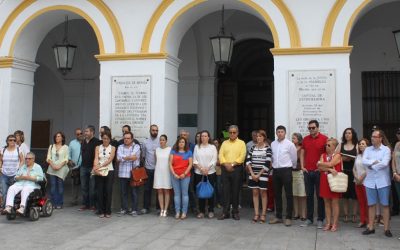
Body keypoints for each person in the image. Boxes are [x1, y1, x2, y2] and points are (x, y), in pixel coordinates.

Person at [362, 129, 392, 237]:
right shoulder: (368, 149)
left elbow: (384, 164)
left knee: (385, 205)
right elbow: (363, 161)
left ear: (380, 138)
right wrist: (373, 162)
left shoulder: (386, 150)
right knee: (371, 205)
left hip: (383, 181)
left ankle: (386, 229)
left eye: (374, 137)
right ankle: (371, 227)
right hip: (370, 181)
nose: (372, 138)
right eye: (372, 136)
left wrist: (371, 166)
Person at [300, 120, 327, 228]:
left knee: (320, 196)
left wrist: (322, 167)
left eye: (313, 128)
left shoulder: (324, 139)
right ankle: (309, 219)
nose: (311, 130)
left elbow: (327, 154)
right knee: (309, 196)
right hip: (307, 172)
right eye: (309, 128)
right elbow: (302, 153)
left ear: (318, 128)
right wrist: (302, 166)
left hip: (318, 172)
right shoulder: (305, 139)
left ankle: (320, 219)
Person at [269, 126, 297, 226]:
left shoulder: (290, 144)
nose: (280, 133)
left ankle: (289, 217)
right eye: (278, 132)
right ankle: (278, 216)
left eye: (282, 132)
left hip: (286, 171)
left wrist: (291, 167)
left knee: (289, 194)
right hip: (276, 171)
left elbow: (294, 158)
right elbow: (272, 157)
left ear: (285, 133)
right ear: (276, 133)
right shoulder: (273, 144)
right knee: (277, 194)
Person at [218, 125, 246, 220]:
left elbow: (242, 156)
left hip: (237, 169)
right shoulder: (224, 143)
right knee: (225, 191)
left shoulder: (241, 143)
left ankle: (235, 212)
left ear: (237, 133)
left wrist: (232, 164)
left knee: (235, 191)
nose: (232, 134)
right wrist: (226, 164)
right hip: (225, 169)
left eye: (234, 132)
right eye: (230, 132)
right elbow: (221, 154)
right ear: (228, 133)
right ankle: (225, 212)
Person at [246, 130, 272, 224]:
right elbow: (248, 160)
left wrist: (258, 174)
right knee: (255, 193)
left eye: (260, 136)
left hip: (263, 174)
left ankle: (263, 214)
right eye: (257, 136)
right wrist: (252, 174)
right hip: (253, 174)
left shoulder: (268, 148)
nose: (258, 138)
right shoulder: (253, 147)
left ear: (264, 137)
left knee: (263, 193)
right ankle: (256, 214)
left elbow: (267, 162)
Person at [317, 138, 342, 232]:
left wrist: (321, 164)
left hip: (334, 181)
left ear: (334, 147)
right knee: (326, 202)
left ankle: (335, 223)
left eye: (329, 145)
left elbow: (330, 163)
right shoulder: (322, 155)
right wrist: (330, 169)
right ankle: (328, 223)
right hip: (324, 180)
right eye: (326, 145)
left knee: (335, 202)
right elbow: (319, 168)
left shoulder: (337, 155)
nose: (326, 147)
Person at [193, 130, 218, 219]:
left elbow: (214, 159)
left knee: (210, 191)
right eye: (202, 136)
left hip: (210, 172)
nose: (203, 138)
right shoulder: (197, 147)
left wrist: (207, 169)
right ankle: (202, 211)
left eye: (205, 136)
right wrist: (201, 169)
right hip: (199, 173)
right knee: (201, 192)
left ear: (208, 137)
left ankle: (211, 210)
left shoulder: (212, 147)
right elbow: (194, 160)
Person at [336, 128, 358, 223]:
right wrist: (342, 159)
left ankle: (354, 214)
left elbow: (360, 157)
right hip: (344, 172)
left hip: (354, 172)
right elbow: (335, 157)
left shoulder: (356, 145)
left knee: (354, 195)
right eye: (346, 133)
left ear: (353, 134)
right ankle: (345, 214)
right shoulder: (340, 145)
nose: (347, 135)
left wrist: (353, 159)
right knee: (345, 195)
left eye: (349, 133)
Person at [117, 131, 141, 216]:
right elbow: (118, 158)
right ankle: (124, 209)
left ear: (132, 139)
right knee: (123, 192)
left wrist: (124, 157)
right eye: (125, 138)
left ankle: (134, 210)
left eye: (128, 138)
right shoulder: (120, 147)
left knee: (134, 192)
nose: (126, 140)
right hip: (122, 173)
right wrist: (129, 157)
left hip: (133, 173)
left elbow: (135, 157)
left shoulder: (136, 146)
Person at [93, 130, 115, 218]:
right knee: (100, 191)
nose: (105, 140)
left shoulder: (113, 148)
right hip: (99, 171)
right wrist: (96, 166)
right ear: (102, 138)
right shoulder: (98, 147)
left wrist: (100, 165)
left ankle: (108, 211)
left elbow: (110, 160)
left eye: (107, 139)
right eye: (104, 138)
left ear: (110, 139)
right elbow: (96, 158)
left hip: (109, 170)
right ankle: (101, 211)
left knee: (108, 191)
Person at [169, 137, 193, 220]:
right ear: (177, 143)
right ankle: (177, 212)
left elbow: (190, 164)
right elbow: (170, 164)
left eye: (183, 142)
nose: (181, 143)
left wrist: (184, 173)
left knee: (185, 194)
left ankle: (184, 212)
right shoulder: (173, 152)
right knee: (177, 194)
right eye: (180, 142)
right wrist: (174, 174)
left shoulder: (189, 152)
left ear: (185, 143)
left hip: (185, 176)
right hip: (174, 175)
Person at [0, 134, 23, 210]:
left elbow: (22, 160)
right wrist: (0, 167)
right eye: (10, 140)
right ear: (7, 141)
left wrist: (19, 169)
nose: (12, 141)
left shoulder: (18, 149)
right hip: (4, 174)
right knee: (4, 192)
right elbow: (0, 160)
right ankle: (4, 208)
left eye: (14, 140)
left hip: (14, 175)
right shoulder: (3, 150)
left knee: (13, 192)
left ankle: (11, 207)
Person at [79, 125, 100, 211]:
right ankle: (85, 204)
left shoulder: (97, 142)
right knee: (84, 187)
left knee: (92, 187)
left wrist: (95, 167)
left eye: (87, 131)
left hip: (92, 167)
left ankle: (93, 205)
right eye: (85, 131)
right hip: (83, 167)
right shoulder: (83, 142)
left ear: (92, 132)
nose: (85, 133)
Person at [46, 132, 69, 209]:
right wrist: (52, 165)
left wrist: (59, 166)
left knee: (60, 187)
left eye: (59, 136)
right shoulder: (51, 146)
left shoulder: (65, 147)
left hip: (61, 169)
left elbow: (66, 159)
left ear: (62, 138)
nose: (57, 138)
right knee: (52, 187)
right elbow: (48, 157)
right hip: (52, 168)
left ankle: (59, 203)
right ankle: (52, 203)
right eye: (56, 137)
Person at [141, 124, 160, 214]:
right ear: (150, 131)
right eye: (153, 130)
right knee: (147, 189)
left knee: (158, 189)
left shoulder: (160, 142)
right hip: (148, 168)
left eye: (156, 130)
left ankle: (158, 208)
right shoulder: (145, 142)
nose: (155, 132)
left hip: (158, 169)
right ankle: (145, 207)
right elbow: (143, 156)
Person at [153, 134, 172, 217]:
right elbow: (156, 161)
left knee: (167, 190)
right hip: (158, 172)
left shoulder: (170, 150)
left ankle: (166, 209)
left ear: (166, 141)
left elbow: (171, 162)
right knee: (159, 191)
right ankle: (161, 209)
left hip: (167, 172)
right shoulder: (156, 150)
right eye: (160, 140)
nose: (162, 141)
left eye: (163, 140)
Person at [353, 138, 369, 228]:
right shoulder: (358, 156)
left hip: (366, 182)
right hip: (357, 182)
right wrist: (356, 178)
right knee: (361, 202)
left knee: (367, 202)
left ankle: (368, 221)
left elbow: (368, 170)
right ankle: (362, 220)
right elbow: (354, 168)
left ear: (367, 145)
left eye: (363, 144)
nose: (361, 145)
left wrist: (361, 179)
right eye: (360, 144)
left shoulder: (369, 156)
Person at [179, 129, 196, 213]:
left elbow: (193, 159)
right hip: (179, 172)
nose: (183, 137)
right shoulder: (176, 146)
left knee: (190, 189)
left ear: (188, 136)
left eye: (184, 135)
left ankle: (193, 207)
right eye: (181, 135)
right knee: (179, 190)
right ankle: (180, 208)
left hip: (189, 171)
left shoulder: (192, 146)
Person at [292, 133, 306, 221]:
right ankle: (296, 213)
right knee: (294, 194)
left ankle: (303, 214)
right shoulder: (291, 147)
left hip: (300, 172)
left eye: (294, 138)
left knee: (302, 194)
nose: (292, 139)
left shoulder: (301, 148)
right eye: (292, 138)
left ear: (299, 139)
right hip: (292, 172)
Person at [68, 128, 83, 206]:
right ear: (75, 135)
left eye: (81, 133)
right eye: (78, 134)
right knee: (75, 184)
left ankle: (85, 201)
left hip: (84, 166)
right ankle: (74, 200)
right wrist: (70, 161)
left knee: (84, 184)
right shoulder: (72, 143)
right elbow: (68, 155)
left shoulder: (86, 142)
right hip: (75, 167)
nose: (80, 135)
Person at [213, 138, 223, 208]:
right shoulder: (211, 151)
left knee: (218, 188)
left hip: (219, 172)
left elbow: (221, 162)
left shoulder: (221, 151)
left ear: (218, 144)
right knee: (212, 187)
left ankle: (219, 202)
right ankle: (212, 203)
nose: (215, 144)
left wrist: (217, 162)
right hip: (211, 171)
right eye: (214, 143)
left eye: (216, 143)